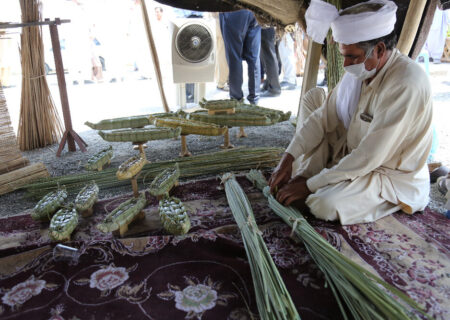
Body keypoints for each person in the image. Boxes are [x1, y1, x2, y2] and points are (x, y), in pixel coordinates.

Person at [269, 0, 433, 225]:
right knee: (303, 160)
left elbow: (368, 156)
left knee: (323, 204)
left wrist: (309, 185)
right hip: (351, 155)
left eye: (352, 57)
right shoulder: (361, 71)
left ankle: (330, 185)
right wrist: (287, 158)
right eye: (343, 55)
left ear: (380, 49)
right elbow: (321, 119)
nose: (346, 65)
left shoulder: (406, 83)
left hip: (387, 174)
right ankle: (320, 178)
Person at [220, 10, 261, 105]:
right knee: (253, 57)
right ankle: (254, 99)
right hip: (254, 9)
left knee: (234, 57)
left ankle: (236, 99)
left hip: (233, 9)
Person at [260, 27, 281, 97]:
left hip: (268, 23)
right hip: (275, 23)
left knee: (268, 52)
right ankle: (270, 82)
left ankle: (274, 87)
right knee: (272, 51)